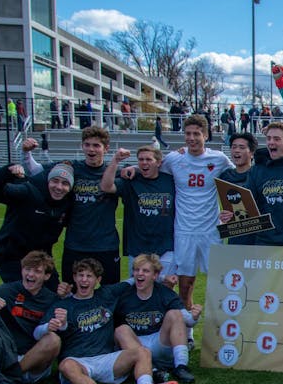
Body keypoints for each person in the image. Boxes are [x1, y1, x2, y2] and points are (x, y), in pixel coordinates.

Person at [41, 258, 178, 384]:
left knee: (143, 351)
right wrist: (50, 326)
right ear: (74, 278)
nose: (84, 280)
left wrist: (161, 278)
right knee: (65, 365)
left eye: (89, 276)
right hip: (78, 361)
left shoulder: (107, 294)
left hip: (107, 359)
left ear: (98, 280)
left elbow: (135, 279)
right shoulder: (63, 305)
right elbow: (37, 331)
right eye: (80, 275)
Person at [22, 126, 122, 285]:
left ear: (106, 148)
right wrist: (26, 153)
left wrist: (134, 169)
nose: (91, 149)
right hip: (76, 244)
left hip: (106, 245)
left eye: (96, 145)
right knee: (70, 293)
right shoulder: (70, 167)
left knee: (110, 294)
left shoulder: (114, 172)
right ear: (82, 146)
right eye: (87, 144)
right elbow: (36, 171)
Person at [159, 115, 234, 310]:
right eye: (188, 133)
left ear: (206, 135)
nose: (191, 138)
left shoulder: (218, 159)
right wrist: (130, 168)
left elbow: (240, 177)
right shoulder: (174, 159)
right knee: (185, 285)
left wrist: (231, 209)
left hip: (211, 230)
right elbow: (151, 169)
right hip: (184, 231)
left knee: (220, 283)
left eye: (196, 134)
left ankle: (222, 326)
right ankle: (188, 333)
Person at [0, 162, 72, 289]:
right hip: (12, 257)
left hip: (41, 258)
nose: (59, 187)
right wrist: (7, 171)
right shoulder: (27, 192)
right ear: (48, 181)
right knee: (24, 297)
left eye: (65, 183)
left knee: (54, 295)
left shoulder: (67, 204)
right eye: (55, 181)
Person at [114, 254, 197, 384]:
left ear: (155, 275)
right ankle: (152, 371)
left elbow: (188, 320)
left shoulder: (165, 293)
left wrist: (195, 316)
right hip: (136, 344)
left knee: (175, 314)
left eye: (145, 271)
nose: (140, 274)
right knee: (121, 330)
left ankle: (181, 366)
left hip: (159, 341)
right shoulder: (123, 294)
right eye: (137, 270)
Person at [0, 251, 64, 384]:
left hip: (34, 362)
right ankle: (8, 377)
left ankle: (10, 377)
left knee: (53, 340)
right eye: (27, 269)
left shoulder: (51, 299)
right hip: (6, 355)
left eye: (37, 271)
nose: (30, 274)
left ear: (47, 276)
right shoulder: (6, 291)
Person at [100, 145, 175, 277]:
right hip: (137, 248)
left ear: (158, 162)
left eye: (148, 159)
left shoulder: (170, 181)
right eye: (141, 159)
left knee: (165, 289)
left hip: (165, 247)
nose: (144, 163)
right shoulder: (131, 181)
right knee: (137, 290)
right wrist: (115, 161)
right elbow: (106, 187)